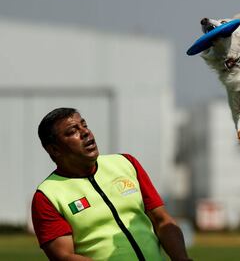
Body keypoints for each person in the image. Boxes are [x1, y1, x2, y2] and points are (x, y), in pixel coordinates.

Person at [31, 107, 192, 261]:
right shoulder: (47, 196)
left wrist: (181, 258)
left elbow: (162, 220)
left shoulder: (126, 163)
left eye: (84, 125)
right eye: (73, 131)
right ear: (54, 150)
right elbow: (63, 257)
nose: (85, 132)